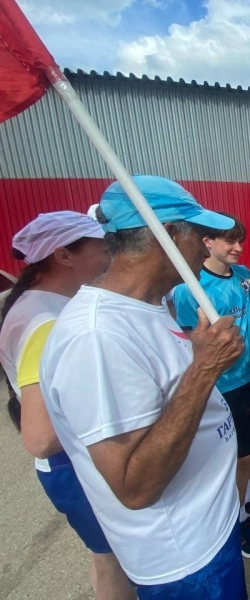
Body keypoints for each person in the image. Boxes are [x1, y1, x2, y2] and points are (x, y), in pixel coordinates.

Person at [39, 175, 247, 599]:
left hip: (207, 530)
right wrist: (204, 369)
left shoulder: (145, 306)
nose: (205, 247)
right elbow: (134, 486)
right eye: (200, 235)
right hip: (185, 560)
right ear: (166, 235)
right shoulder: (96, 336)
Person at [0, 212, 134, 600]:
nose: (110, 256)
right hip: (73, 464)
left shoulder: (46, 304)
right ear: (63, 255)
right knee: (114, 563)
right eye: (102, 248)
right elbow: (41, 438)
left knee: (104, 556)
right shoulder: (45, 321)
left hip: (75, 463)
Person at [173, 212, 250, 559]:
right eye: (230, 241)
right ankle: (237, 521)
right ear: (207, 242)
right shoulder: (190, 289)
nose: (238, 247)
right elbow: (190, 344)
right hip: (225, 385)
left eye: (240, 240)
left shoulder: (244, 275)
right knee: (238, 456)